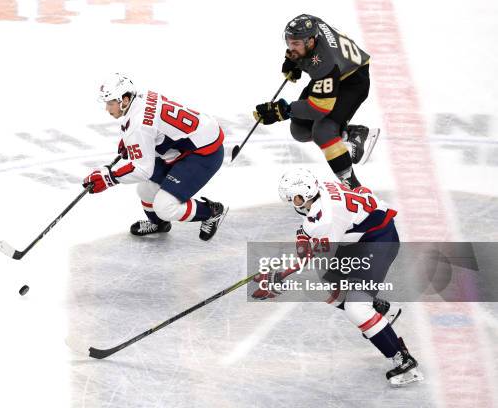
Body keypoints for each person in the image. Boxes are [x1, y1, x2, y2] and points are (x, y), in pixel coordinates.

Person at [257, 168, 423, 386]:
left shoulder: (326, 218)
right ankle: (381, 310)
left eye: (295, 198)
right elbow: (310, 235)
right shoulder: (321, 192)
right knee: (326, 285)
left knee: (357, 308)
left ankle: (402, 359)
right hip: (367, 237)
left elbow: (313, 255)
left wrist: (278, 276)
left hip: (380, 242)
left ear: (307, 194)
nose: (294, 202)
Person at [83, 73, 228, 241]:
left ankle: (211, 212)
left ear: (124, 99)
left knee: (164, 206)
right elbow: (156, 129)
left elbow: (142, 170)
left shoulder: (138, 125)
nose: (107, 109)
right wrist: (132, 143)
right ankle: (159, 224)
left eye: (110, 103)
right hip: (192, 143)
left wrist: (109, 177)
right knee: (145, 190)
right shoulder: (140, 97)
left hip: (204, 154)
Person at [253, 14, 380, 188]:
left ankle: (354, 188)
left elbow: (319, 108)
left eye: (296, 44)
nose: (291, 47)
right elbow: (308, 22)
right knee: (300, 129)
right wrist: (294, 61)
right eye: (289, 42)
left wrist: (284, 111)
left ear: (311, 42)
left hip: (352, 81)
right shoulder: (309, 26)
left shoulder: (324, 63)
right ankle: (353, 134)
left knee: (323, 131)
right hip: (337, 71)